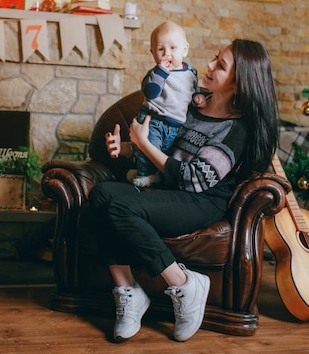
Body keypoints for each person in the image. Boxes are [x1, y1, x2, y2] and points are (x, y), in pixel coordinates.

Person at [90, 39, 279, 343]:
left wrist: (143, 144)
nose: (209, 65)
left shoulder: (236, 129)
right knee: (101, 194)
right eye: (215, 58)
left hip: (202, 201)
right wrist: (125, 149)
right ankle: (130, 291)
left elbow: (195, 178)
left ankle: (184, 283)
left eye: (221, 65)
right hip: (169, 189)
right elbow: (162, 146)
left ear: (239, 82)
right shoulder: (190, 104)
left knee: (118, 207)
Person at [133, 21, 205, 188]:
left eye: (173, 48)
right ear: (152, 53)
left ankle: (155, 177)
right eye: (160, 49)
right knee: (149, 150)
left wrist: (198, 96)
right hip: (154, 121)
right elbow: (151, 92)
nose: (167, 54)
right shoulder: (154, 74)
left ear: (185, 49)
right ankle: (143, 178)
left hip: (177, 125)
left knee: (165, 154)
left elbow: (192, 90)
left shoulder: (190, 72)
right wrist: (162, 72)